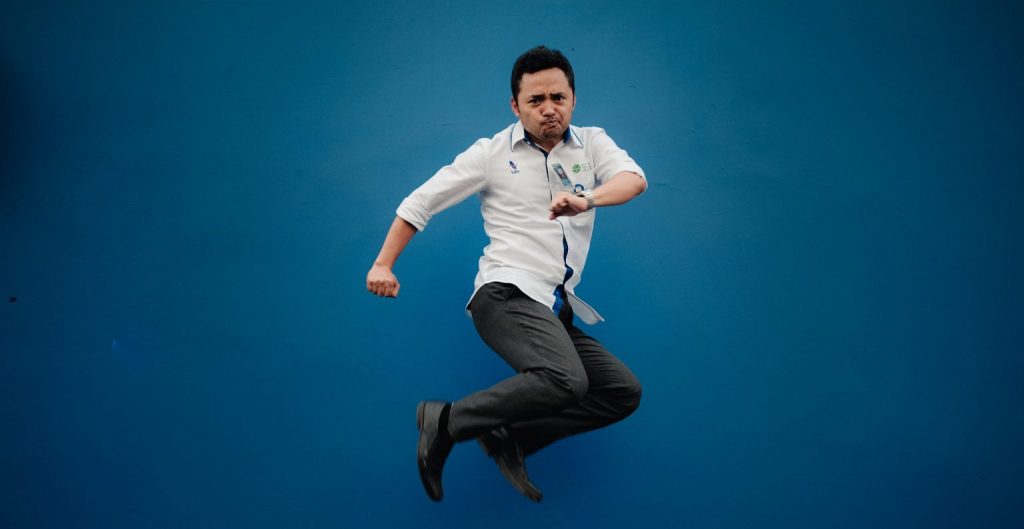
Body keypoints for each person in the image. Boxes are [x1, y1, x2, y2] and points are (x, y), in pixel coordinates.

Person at [366, 45, 646, 502]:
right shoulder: (491, 153)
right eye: (536, 101)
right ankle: (446, 421)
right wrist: (383, 263)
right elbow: (421, 202)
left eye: (558, 97)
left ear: (573, 99)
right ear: (516, 106)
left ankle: (512, 437)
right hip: (505, 295)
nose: (549, 108)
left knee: (620, 392)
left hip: (553, 307)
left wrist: (587, 199)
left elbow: (633, 179)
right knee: (566, 379)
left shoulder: (593, 143)